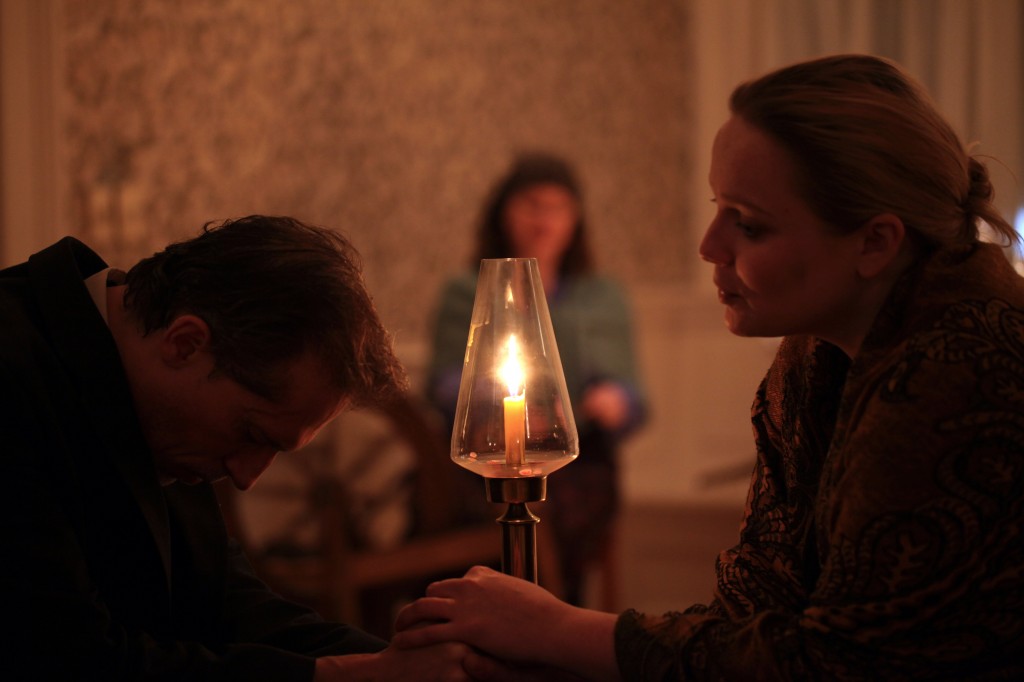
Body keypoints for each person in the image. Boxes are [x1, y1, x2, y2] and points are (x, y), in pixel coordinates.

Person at [392, 54, 1024, 680]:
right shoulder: (814, 353)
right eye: (718, 206)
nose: (707, 247)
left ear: (875, 242)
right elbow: (757, 605)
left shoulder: (963, 368)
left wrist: (554, 629)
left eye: (747, 224)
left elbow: (837, 663)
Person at [2, 215, 478, 681]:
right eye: (252, 435)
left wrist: (413, 667)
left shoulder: (143, 392)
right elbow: (70, 660)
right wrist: (356, 675)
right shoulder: (15, 373)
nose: (248, 476)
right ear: (185, 343)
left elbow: (223, 603)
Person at [425, 152, 647, 606]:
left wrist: (615, 399)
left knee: (567, 509)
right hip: (483, 458)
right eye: (531, 204)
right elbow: (442, 382)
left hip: (577, 460)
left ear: (576, 219)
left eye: (557, 208)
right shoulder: (466, 291)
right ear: (503, 210)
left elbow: (632, 393)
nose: (544, 220)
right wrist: (493, 395)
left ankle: (555, 618)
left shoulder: (602, 297)